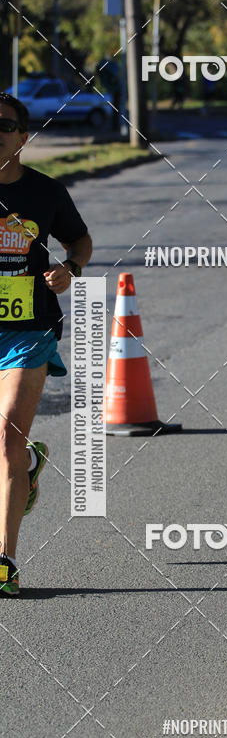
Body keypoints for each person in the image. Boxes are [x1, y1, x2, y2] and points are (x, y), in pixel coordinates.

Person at [0, 93, 92, 596]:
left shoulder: (46, 193)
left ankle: (5, 560)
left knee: (7, 437)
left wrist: (70, 270)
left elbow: (80, 241)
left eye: (4, 125)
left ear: (23, 136)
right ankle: (28, 469)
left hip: (29, 330)